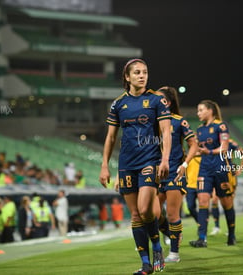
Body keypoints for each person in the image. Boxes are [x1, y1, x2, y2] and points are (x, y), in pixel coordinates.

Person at [99, 58, 172, 275]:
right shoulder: (118, 104)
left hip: (150, 161)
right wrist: (105, 165)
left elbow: (166, 132)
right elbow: (111, 137)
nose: (142, 76)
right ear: (127, 77)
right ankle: (146, 264)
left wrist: (165, 159)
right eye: (137, 72)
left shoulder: (158, 101)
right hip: (126, 165)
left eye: (145, 72)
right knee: (135, 215)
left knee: (144, 209)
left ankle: (157, 245)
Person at [155, 86, 199, 263]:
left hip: (174, 171)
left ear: (168, 102)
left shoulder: (179, 121)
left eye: (159, 98)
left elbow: (193, 145)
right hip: (155, 174)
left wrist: (185, 164)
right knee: (152, 212)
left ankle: (174, 253)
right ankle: (169, 233)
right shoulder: (151, 121)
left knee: (173, 214)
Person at [189, 100, 236, 247]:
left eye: (201, 110)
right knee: (203, 201)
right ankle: (202, 238)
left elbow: (224, 148)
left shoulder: (221, 126)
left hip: (220, 168)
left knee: (226, 203)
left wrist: (208, 151)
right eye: (198, 110)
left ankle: (232, 235)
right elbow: (196, 149)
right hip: (204, 169)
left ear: (210, 111)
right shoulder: (199, 130)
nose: (198, 113)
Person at [209, 138, 243, 236]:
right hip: (215, 172)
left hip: (228, 174)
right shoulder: (210, 142)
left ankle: (231, 230)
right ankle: (217, 226)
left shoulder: (230, 143)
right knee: (214, 200)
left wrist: (240, 169)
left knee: (229, 202)